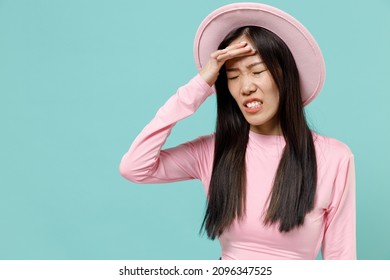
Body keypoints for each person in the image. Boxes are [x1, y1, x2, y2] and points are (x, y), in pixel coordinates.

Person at [119, 2, 356, 260]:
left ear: (285, 75)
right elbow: (135, 166)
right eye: (233, 76)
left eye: (257, 71)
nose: (245, 87)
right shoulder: (213, 151)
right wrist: (199, 85)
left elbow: (342, 260)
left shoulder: (334, 158)